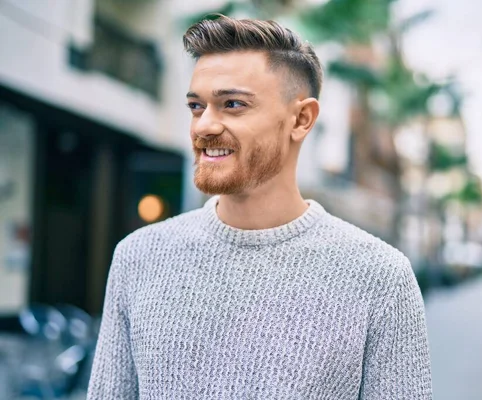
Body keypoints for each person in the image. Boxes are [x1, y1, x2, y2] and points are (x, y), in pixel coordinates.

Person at [87, 15, 432, 399]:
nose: (203, 126)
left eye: (232, 104)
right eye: (196, 106)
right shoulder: (138, 257)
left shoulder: (380, 277)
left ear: (301, 119)